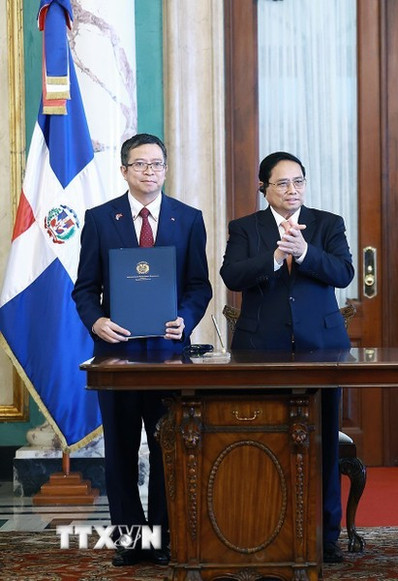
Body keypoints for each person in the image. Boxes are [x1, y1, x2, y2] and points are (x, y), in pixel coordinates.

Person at [72, 133, 212, 567]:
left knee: (168, 446)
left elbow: (199, 286)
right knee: (120, 450)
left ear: (166, 169)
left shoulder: (188, 219)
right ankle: (133, 542)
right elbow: (85, 289)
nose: (150, 171)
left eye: (157, 164)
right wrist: (96, 321)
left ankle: (164, 539)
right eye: (140, 164)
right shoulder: (100, 219)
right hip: (116, 357)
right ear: (124, 170)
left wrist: (185, 318)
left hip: (169, 356)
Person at [219, 151, 354, 563]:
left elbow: (344, 273)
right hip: (262, 349)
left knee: (324, 442)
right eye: (282, 183)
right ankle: (265, 529)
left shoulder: (328, 224)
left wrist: (306, 252)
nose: (292, 190)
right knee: (264, 441)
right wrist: (276, 258)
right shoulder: (245, 228)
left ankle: (326, 536)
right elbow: (231, 276)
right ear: (264, 188)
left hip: (321, 349)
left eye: (298, 181)